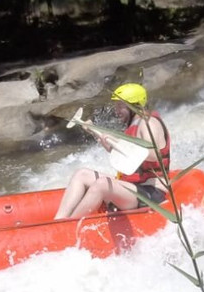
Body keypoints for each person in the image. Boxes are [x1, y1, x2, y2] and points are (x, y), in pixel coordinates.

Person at [53, 83, 171, 220]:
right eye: (117, 105)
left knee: (102, 184)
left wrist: (119, 142)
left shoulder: (149, 123)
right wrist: (95, 132)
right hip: (132, 188)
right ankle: (58, 220)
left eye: (121, 106)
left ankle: (69, 226)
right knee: (82, 174)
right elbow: (122, 153)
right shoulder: (133, 124)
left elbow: (154, 156)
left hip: (151, 193)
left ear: (135, 105)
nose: (117, 110)